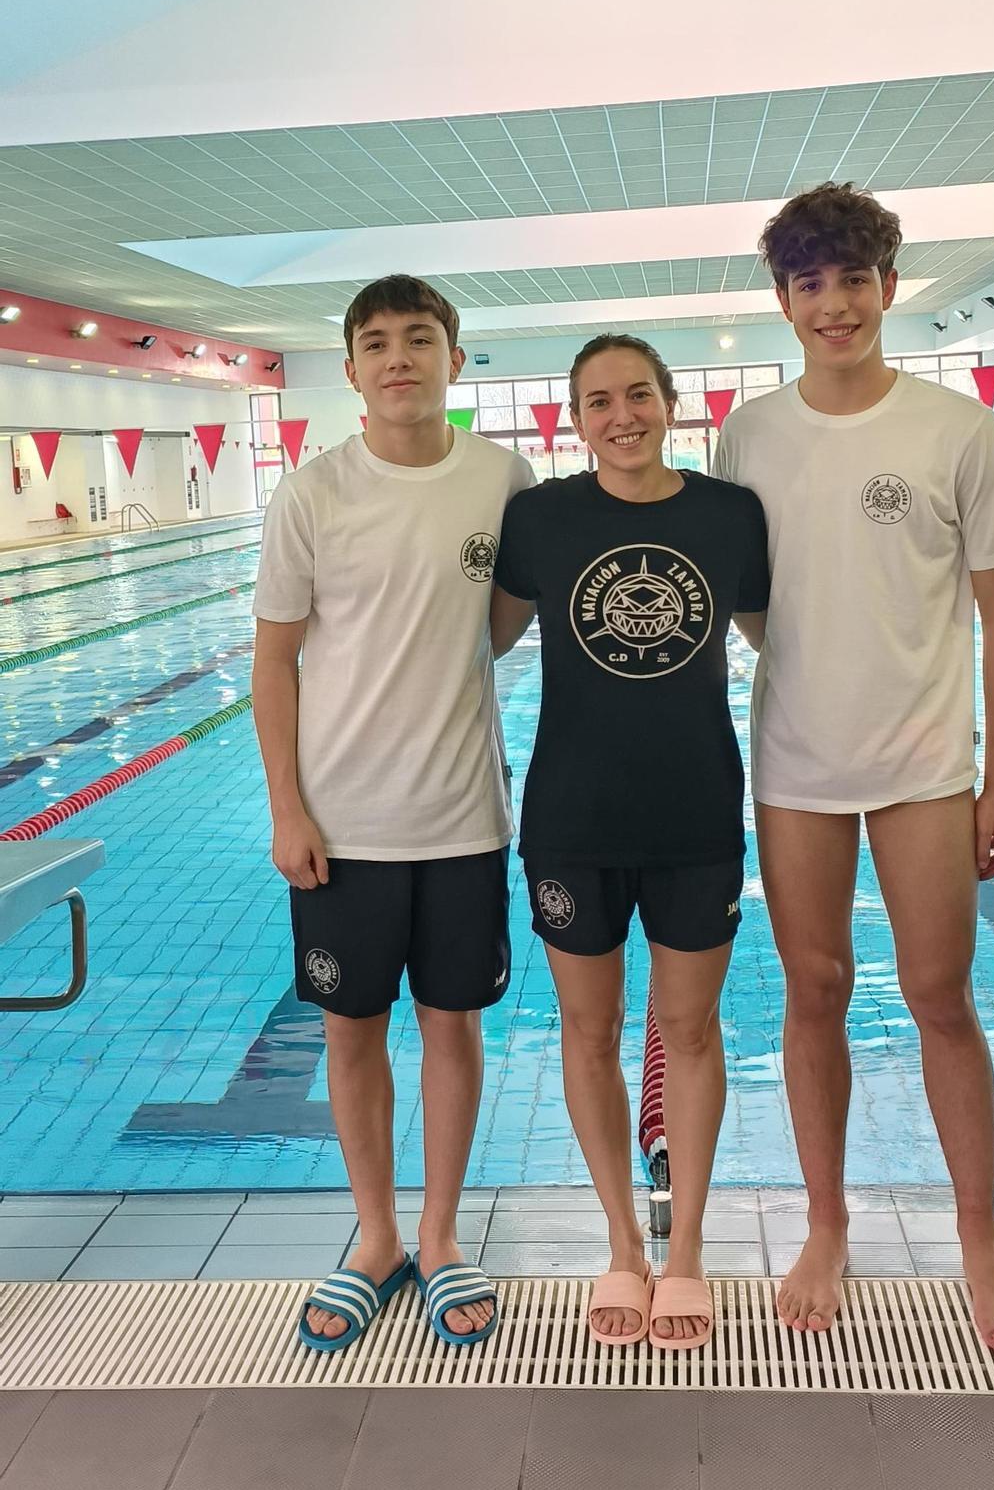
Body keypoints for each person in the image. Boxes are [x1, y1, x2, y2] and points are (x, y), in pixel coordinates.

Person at [713, 182, 994, 1356]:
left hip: (925, 765)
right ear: (784, 301)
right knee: (814, 991)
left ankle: (979, 1236)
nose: (835, 304)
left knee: (940, 994)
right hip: (797, 763)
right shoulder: (749, 434)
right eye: (810, 284)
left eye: (854, 279)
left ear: (889, 286)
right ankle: (826, 1222)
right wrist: (813, 659)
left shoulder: (956, 429)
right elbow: (748, 598)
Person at [252, 275, 533, 1352]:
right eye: (377, 343)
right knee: (352, 1029)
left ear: (455, 359)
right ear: (353, 368)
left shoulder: (502, 479)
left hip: (463, 815)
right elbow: (274, 662)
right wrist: (288, 808)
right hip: (343, 823)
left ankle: (441, 1232)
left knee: (453, 1025)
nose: (399, 357)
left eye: (420, 338)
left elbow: (499, 626)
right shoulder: (312, 492)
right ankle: (375, 1235)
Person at [490, 335, 769, 1350]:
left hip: (697, 815)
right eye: (600, 401)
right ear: (575, 419)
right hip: (573, 818)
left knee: (690, 1031)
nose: (623, 415)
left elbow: (782, 638)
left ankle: (684, 1250)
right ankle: (621, 1239)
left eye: (639, 394)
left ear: (671, 401)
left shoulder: (729, 514)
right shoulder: (540, 518)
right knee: (590, 1030)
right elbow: (479, 638)